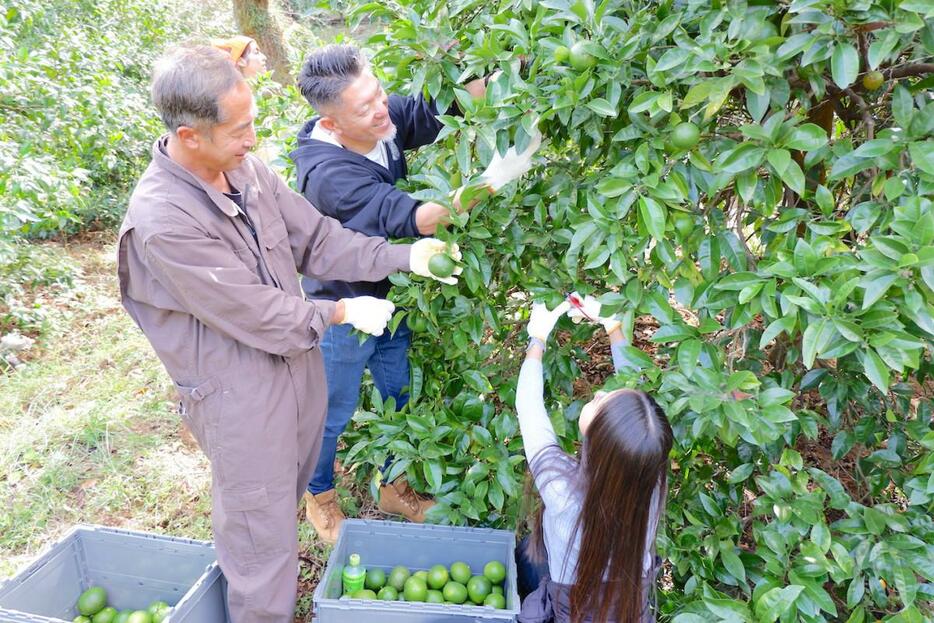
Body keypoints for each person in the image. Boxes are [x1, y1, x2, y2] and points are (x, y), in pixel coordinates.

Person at [117, 44, 455, 622]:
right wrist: (339, 314)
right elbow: (257, 313)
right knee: (260, 545)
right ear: (189, 134)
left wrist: (403, 257)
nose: (253, 140)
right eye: (239, 130)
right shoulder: (162, 222)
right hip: (238, 397)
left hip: (294, 369)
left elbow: (318, 239)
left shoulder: (243, 171)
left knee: (282, 504)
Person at [289, 44, 539, 542]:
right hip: (343, 307)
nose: (381, 108)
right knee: (331, 410)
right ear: (334, 124)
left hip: (393, 288)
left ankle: (391, 483)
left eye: (378, 93)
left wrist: (519, 69)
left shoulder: (377, 116)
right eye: (365, 107)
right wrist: (495, 178)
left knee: (397, 395)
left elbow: (437, 104)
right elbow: (417, 216)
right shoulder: (329, 174)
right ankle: (317, 495)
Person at [514, 294, 673, 622]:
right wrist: (613, 325)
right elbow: (638, 405)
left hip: (575, 605)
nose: (599, 393)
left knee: (528, 556)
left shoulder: (561, 490)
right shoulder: (650, 470)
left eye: (602, 403)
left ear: (600, 440)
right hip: (629, 603)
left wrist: (538, 337)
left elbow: (529, 408)